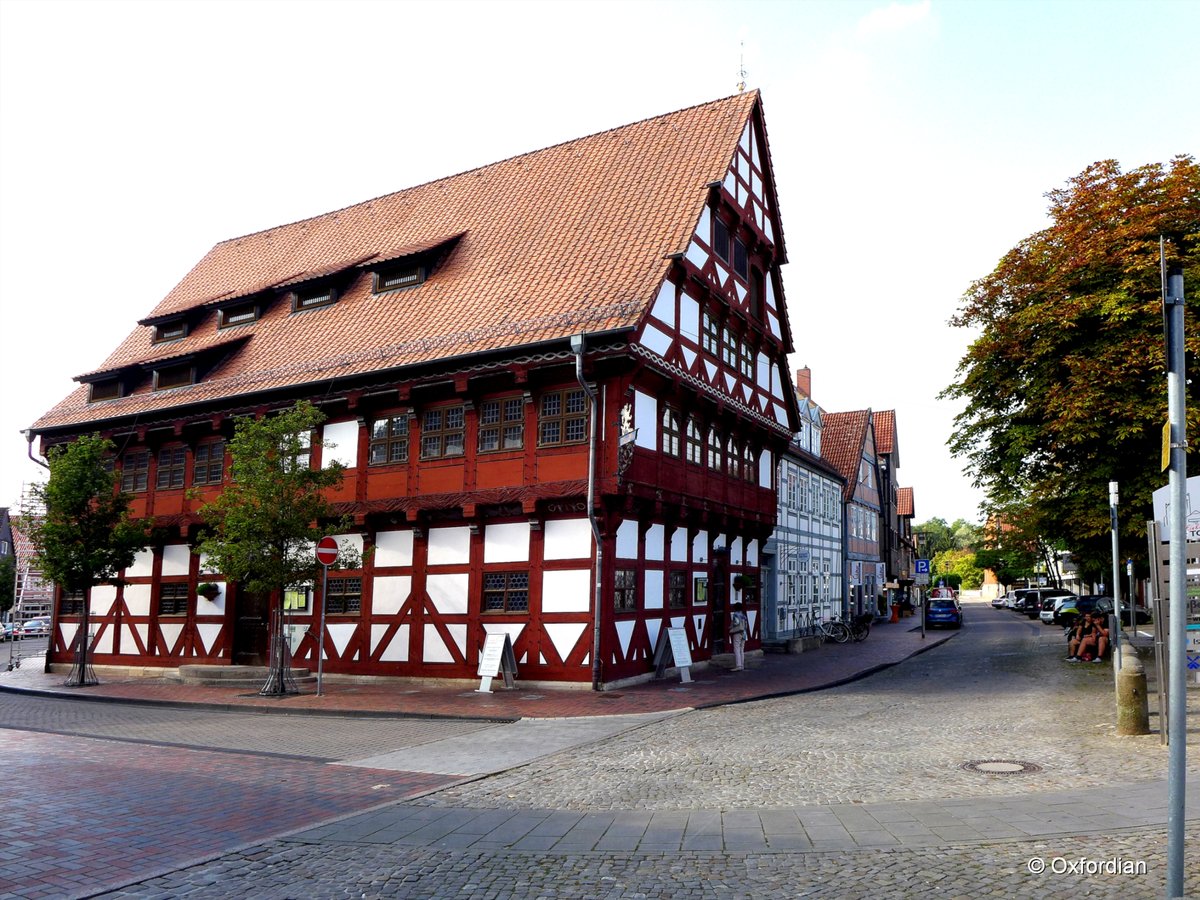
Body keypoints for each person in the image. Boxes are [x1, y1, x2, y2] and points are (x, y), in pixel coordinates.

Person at [729, 601, 748, 671]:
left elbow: (736, 622)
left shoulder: (735, 614)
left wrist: (731, 626)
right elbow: (746, 624)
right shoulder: (743, 615)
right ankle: (742, 665)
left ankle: (738, 665)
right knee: (741, 649)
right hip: (744, 633)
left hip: (738, 632)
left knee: (736, 648)